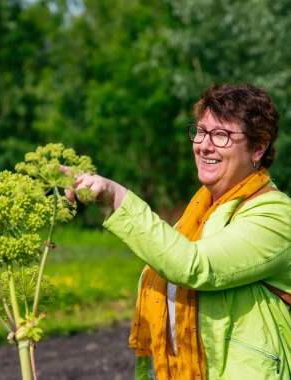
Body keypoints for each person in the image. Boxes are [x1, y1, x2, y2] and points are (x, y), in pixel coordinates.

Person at [64, 83, 291, 379]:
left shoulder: (277, 215)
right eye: (200, 131)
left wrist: (116, 197)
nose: (204, 144)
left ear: (258, 148)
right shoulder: (199, 213)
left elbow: (193, 265)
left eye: (221, 135)